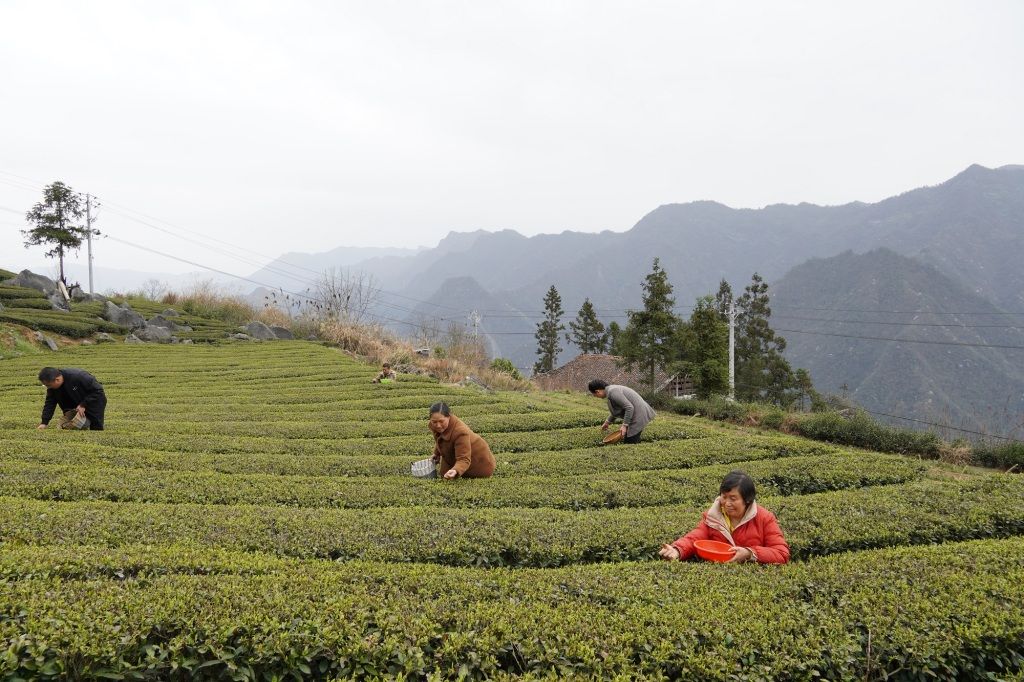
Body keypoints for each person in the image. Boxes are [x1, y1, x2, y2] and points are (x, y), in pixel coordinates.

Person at [658, 470, 790, 564]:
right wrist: (677, 550)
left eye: (733, 498)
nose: (727, 503)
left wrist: (750, 553)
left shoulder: (764, 519)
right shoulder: (713, 516)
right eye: (724, 496)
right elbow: (695, 537)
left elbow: (781, 554)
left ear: (747, 500)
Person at [428, 401, 495, 480]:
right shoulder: (435, 426)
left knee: (452, 480)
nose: (438, 425)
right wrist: (437, 453)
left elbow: (464, 459)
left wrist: (456, 470)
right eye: (434, 422)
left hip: (478, 463)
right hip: (452, 456)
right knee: (444, 477)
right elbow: (440, 438)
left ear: (449, 416)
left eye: (441, 421)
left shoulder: (460, 432)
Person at [37, 367, 108, 431]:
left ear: (57, 380)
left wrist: (83, 404)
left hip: (94, 402)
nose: (48, 387)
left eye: (48, 385)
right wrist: (44, 423)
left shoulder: (79, 376)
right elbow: (50, 403)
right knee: (72, 425)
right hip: (73, 402)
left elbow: (98, 391)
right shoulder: (52, 388)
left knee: (96, 427)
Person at [587, 379, 655, 444]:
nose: (595, 396)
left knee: (630, 441)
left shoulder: (613, 392)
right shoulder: (610, 391)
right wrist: (607, 422)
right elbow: (618, 409)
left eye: (594, 395)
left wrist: (624, 425)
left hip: (639, 414)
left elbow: (629, 407)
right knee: (631, 439)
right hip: (637, 413)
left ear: (597, 391)